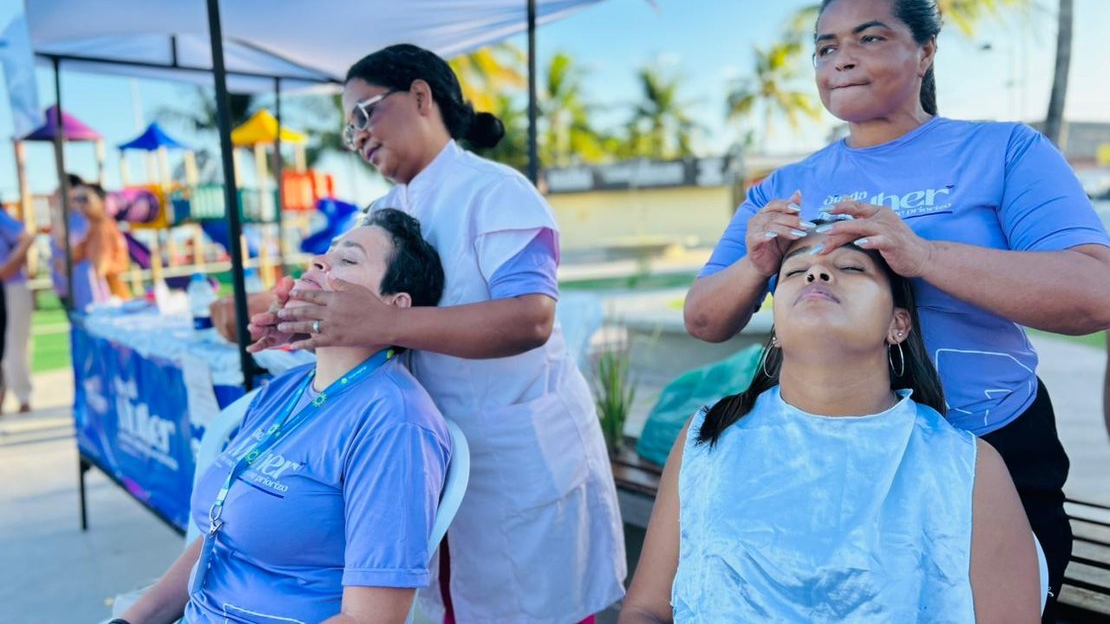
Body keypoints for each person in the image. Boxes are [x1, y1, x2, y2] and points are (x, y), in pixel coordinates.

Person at [683, 0, 1110, 615]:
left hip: (994, 444)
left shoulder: (1004, 151)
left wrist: (923, 255)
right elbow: (704, 319)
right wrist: (755, 265)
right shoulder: (788, 186)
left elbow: (1094, 295)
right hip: (834, 459)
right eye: (825, 49)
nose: (841, 59)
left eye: (869, 37)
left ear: (926, 52)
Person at [249, 44, 625, 623]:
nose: (357, 136)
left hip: (514, 455)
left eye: (363, 113)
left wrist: (385, 321)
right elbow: (374, 319)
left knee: (536, 607)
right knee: (454, 601)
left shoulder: (496, 192)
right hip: (422, 452)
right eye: (348, 128)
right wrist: (306, 323)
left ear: (420, 96)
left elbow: (530, 318)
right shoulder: (382, 211)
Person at [622, 230, 1041, 623]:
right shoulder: (708, 437)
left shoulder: (966, 468)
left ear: (899, 324)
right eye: (795, 270)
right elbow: (646, 610)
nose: (817, 273)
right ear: (776, 333)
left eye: (852, 268)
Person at [118, 208, 451, 624]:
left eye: (347, 260)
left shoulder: (394, 424)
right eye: (326, 253)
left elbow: (369, 620)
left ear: (395, 306)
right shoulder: (284, 392)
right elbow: (217, 538)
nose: (319, 262)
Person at [49, 173, 108, 312]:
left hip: (83, 285)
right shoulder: (69, 218)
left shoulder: (81, 217)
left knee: (88, 322)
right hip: (68, 285)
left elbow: (64, 243)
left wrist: (57, 211)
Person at [0, 204, 35, 414]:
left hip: (11, 287)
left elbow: (27, 237)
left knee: (15, 342)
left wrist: (7, 267)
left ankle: (23, 395)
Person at [71, 181, 131, 301]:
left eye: (84, 199)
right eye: (76, 199)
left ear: (102, 201)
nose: (79, 204)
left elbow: (99, 269)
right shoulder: (94, 228)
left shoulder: (102, 228)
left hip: (109, 299)